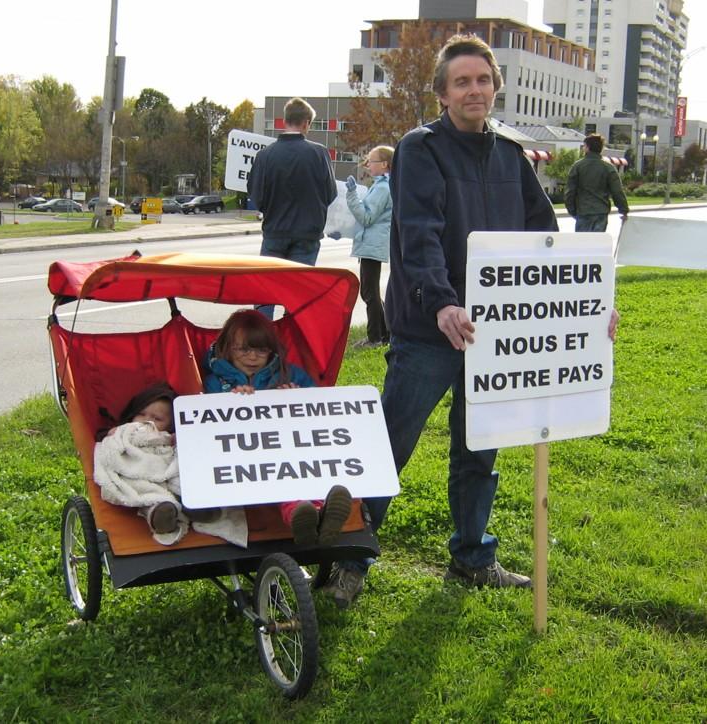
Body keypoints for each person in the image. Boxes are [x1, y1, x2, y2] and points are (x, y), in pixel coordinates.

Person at [324, 33, 619, 610]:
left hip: (496, 335)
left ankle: (473, 556)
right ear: (443, 93)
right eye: (462, 81)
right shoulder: (420, 148)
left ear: (495, 87)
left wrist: (591, 303)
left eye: (482, 80)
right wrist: (442, 302)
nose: (474, 90)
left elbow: (548, 241)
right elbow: (420, 231)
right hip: (429, 329)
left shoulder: (511, 155)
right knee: (392, 444)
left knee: (479, 445)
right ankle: (349, 559)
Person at [203, 309, 352, 545]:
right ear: (226, 348)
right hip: (245, 456)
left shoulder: (291, 374)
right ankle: (304, 515)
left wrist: (299, 399)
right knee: (279, 475)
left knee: (303, 466)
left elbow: (322, 410)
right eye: (244, 349)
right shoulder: (214, 382)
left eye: (261, 350)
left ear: (271, 351)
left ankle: (320, 514)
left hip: (290, 447)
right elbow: (203, 423)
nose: (252, 357)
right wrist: (228, 401)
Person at [246, 97, 337, 318]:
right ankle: (292, 344)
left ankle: (260, 341)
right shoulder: (319, 153)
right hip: (307, 234)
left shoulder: (265, 156)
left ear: (285, 121)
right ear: (306, 122)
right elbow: (330, 193)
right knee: (298, 295)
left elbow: (256, 196)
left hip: (275, 231)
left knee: (266, 292)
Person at [93, 383, 187, 545]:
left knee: (181, 481)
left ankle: (195, 506)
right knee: (146, 492)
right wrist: (114, 434)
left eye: (157, 418)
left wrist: (173, 440)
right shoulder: (123, 430)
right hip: (137, 470)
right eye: (141, 414)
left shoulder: (170, 436)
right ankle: (159, 513)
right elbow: (110, 447)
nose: (147, 421)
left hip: (166, 466)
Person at [345, 145, 394, 348]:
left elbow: (366, 217)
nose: (368, 165)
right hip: (374, 243)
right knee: (371, 290)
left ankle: (375, 337)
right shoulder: (383, 185)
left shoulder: (382, 188)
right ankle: (384, 334)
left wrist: (351, 195)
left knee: (369, 292)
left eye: (371, 161)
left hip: (373, 244)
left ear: (384, 165)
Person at [565, 133, 629, 232]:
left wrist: (572, 210)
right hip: (601, 212)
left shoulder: (577, 167)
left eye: (584, 146)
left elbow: (570, 192)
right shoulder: (608, 168)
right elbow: (617, 192)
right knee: (598, 243)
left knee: (582, 244)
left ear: (587, 148)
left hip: (583, 212)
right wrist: (623, 210)